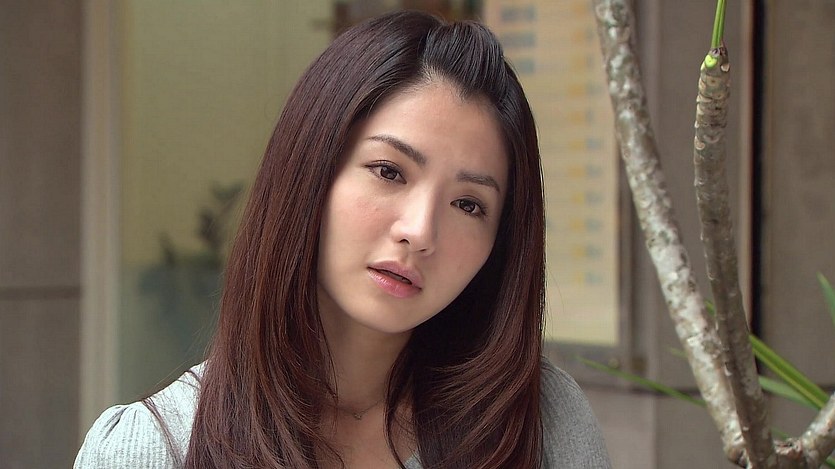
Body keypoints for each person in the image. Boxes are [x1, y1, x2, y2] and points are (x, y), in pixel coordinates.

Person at [75, 10, 611, 469]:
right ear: (310, 171)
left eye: (469, 204)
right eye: (389, 171)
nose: (419, 231)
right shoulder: (155, 448)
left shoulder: (539, 423)